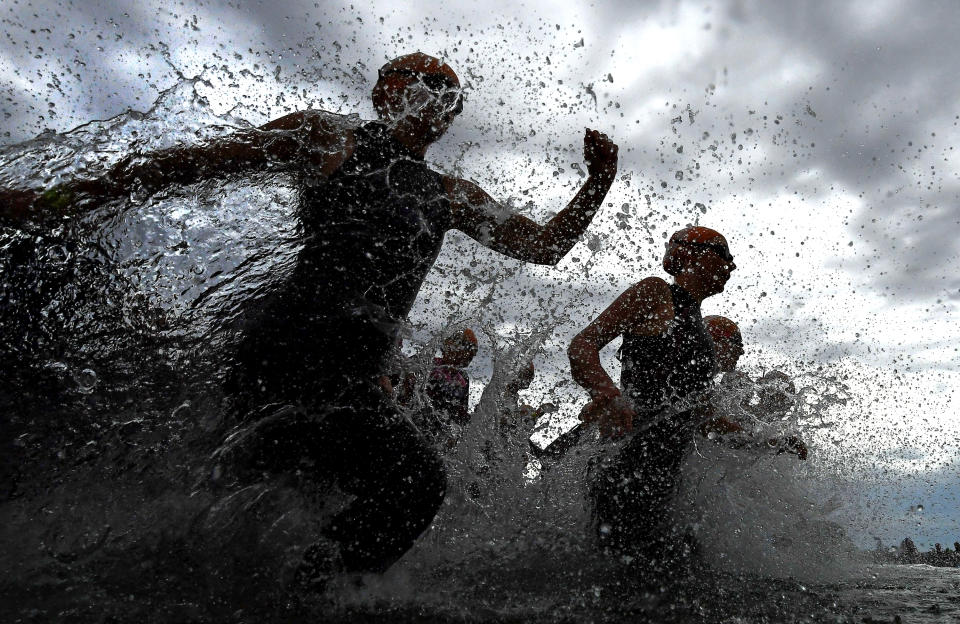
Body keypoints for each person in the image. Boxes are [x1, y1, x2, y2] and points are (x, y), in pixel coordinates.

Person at [1, 52, 619, 583]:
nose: (435, 95)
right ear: (385, 93)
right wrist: (58, 199)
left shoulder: (451, 194)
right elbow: (189, 166)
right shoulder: (329, 138)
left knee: (396, 486)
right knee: (370, 481)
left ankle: (305, 587)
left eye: (448, 91)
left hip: (356, 373)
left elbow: (543, 247)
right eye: (420, 80)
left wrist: (598, 182)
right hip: (286, 352)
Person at [567, 226, 735, 564]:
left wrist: (770, 442)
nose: (731, 266)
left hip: (662, 481)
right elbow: (582, 346)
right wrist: (610, 396)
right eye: (724, 255)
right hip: (627, 466)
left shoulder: (700, 327)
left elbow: (701, 417)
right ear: (689, 253)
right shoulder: (657, 293)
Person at [420, 328, 478, 443]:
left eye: (474, 355)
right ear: (455, 347)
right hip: (420, 419)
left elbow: (461, 413)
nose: (472, 358)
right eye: (470, 352)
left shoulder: (463, 378)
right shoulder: (429, 363)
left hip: (440, 430)